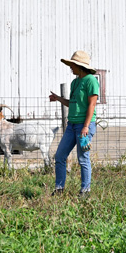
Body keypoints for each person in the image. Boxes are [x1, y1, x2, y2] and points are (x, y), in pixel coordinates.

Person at [48, 50, 99, 198]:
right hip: (71, 125)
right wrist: (58, 98)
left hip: (84, 126)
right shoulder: (75, 82)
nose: (70, 67)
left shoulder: (91, 81)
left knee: (83, 158)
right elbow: (72, 103)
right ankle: (59, 189)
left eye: (72, 65)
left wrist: (85, 126)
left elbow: (92, 105)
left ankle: (85, 191)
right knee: (60, 156)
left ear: (79, 66)